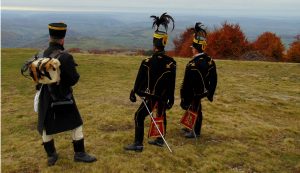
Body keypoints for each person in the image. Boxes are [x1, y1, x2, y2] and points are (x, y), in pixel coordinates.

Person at [37, 22, 96, 166]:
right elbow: (73, 79)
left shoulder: (42, 53)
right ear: (63, 39)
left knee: (46, 126)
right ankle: (79, 153)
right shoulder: (65, 57)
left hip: (45, 97)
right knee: (76, 124)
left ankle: (51, 156)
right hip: (63, 97)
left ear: (50, 37)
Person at [124, 13, 176, 152]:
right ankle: (159, 139)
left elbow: (138, 81)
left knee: (138, 116)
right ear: (164, 43)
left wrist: (134, 92)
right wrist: (171, 98)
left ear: (154, 44)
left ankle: (138, 144)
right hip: (163, 97)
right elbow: (172, 84)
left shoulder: (147, 62)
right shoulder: (171, 63)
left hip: (151, 97)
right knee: (161, 113)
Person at [180, 22, 217, 138]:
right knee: (196, 108)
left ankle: (195, 131)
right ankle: (190, 127)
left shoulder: (192, 64)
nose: (192, 50)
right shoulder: (210, 60)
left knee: (196, 109)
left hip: (194, 92)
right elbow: (214, 78)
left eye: (193, 48)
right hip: (204, 91)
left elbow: (187, 83)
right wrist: (210, 92)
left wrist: (183, 96)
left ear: (195, 49)